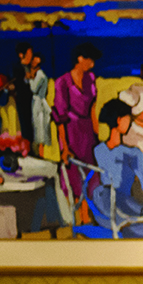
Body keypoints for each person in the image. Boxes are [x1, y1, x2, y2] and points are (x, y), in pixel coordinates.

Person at [84, 97, 143, 238]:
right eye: (128, 118)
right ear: (119, 120)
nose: (130, 122)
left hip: (102, 210)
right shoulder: (132, 154)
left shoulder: (98, 150)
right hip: (122, 209)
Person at [53, 42, 101, 221]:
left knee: (91, 174)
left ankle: (86, 217)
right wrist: (64, 147)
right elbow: (60, 118)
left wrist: (96, 136)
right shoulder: (62, 82)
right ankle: (78, 219)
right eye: (90, 60)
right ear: (80, 59)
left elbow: (92, 109)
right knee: (74, 175)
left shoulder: (91, 79)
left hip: (87, 133)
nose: (92, 64)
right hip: (71, 134)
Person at [26, 51, 53, 158]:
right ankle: (39, 153)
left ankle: (41, 154)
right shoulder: (38, 74)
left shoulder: (40, 74)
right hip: (37, 103)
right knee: (38, 129)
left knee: (40, 130)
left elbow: (33, 88)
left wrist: (30, 78)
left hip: (39, 104)